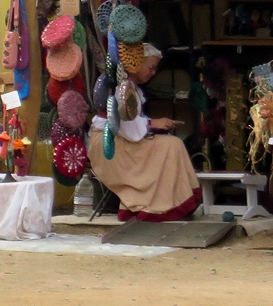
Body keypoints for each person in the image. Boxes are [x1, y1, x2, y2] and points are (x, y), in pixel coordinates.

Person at [84, 42, 201, 222]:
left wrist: (153, 125)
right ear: (136, 63)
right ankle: (163, 205)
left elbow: (131, 126)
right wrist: (153, 123)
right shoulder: (121, 88)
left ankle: (175, 202)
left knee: (172, 144)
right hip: (110, 146)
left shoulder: (130, 87)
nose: (153, 73)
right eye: (150, 68)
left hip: (122, 141)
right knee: (171, 146)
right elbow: (125, 128)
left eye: (155, 69)